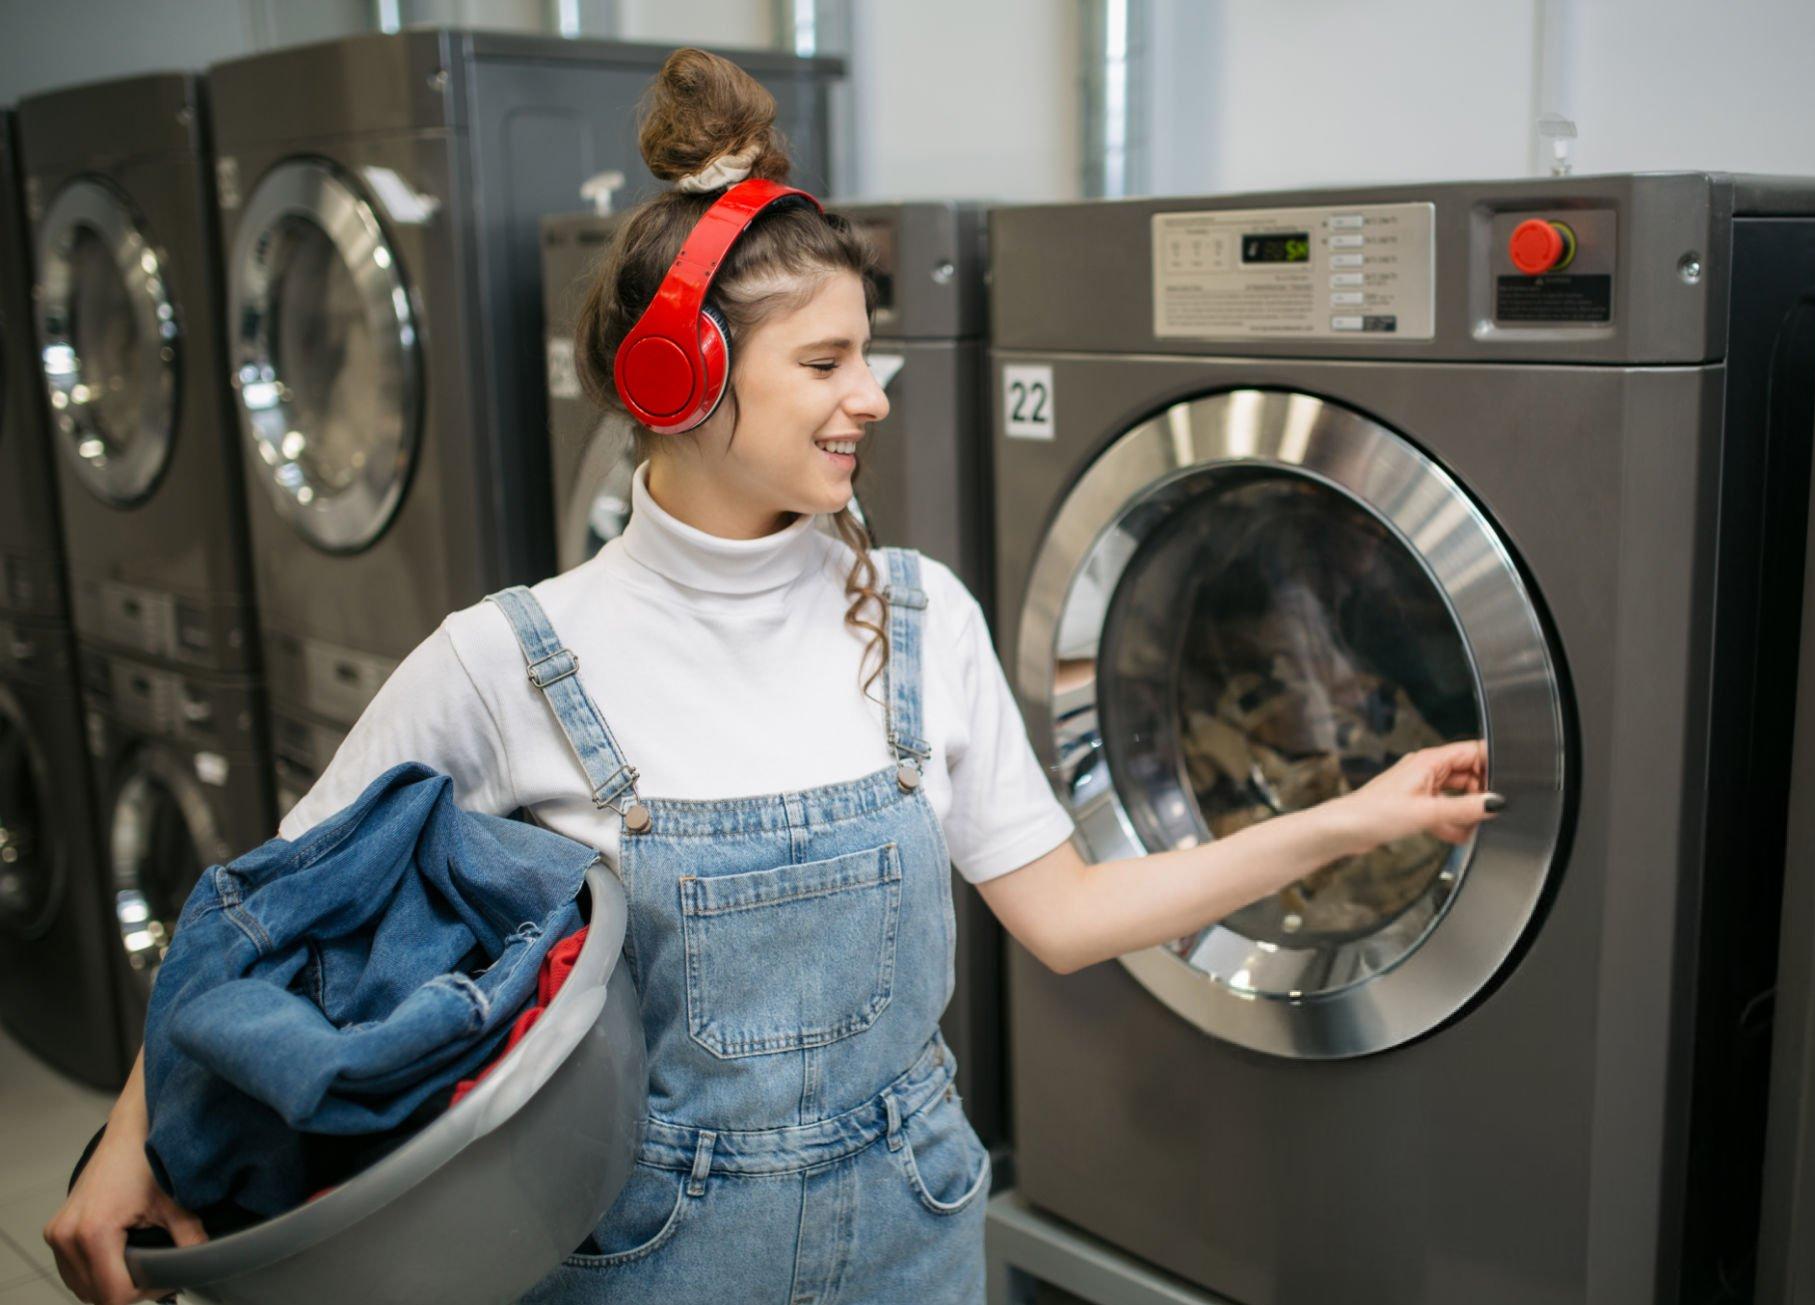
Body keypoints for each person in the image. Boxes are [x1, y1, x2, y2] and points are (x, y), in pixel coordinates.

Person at [45, 48, 1498, 1305]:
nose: (872, 394)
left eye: (871, 354)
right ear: (677, 379)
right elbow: (269, 913)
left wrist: (1348, 819)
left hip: (916, 1229)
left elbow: (1066, 913)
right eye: (827, 362)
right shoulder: (510, 658)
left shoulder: (920, 614)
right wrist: (131, 1146)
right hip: (641, 1248)